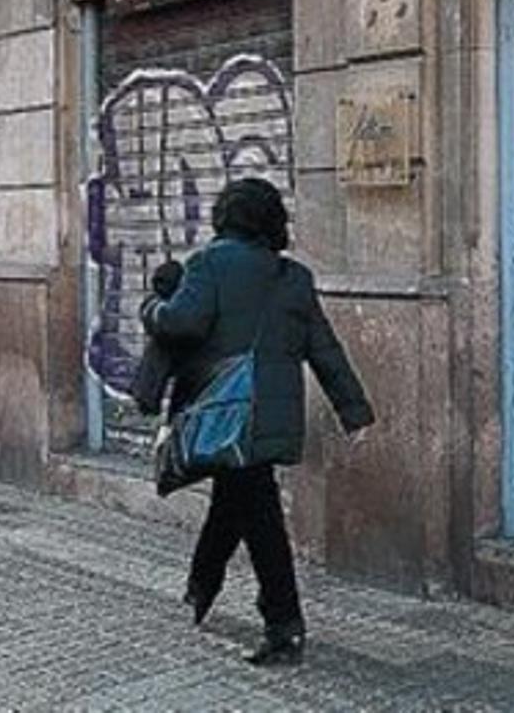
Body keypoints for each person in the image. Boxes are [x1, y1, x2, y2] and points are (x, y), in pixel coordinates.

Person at [141, 176, 376, 665]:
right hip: (270, 421)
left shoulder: (210, 263)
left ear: (225, 218)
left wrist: (150, 307)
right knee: (234, 502)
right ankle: (202, 585)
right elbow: (324, 350)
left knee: (260, 519)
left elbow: (181, 322)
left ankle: (283, 624)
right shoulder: (295, 279)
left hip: (226, 415)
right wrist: (353, 411)